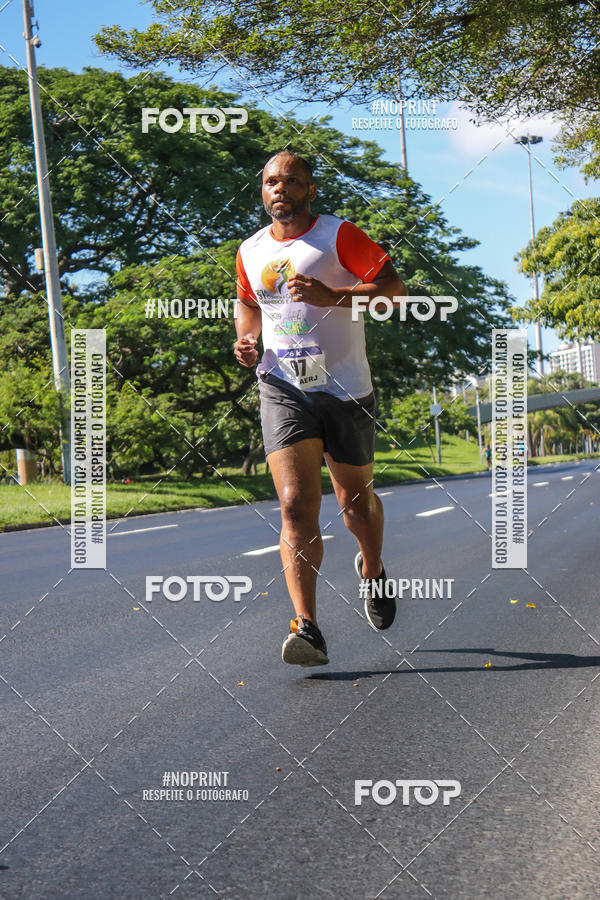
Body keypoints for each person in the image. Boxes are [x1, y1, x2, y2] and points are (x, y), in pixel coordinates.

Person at [234, 150, 406, 667]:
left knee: (355, 505)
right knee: (294, 505)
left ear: (310, 190)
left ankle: (372, 570)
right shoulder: (250, 250)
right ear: (262, 190)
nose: (280, 189)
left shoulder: (339, 235)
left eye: (291, 181)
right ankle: (306, 626)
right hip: (282, 385)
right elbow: (248, 305)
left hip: (345, 388)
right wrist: (247, 340)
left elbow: (394, 291)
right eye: (271, 181)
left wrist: (334, 295)